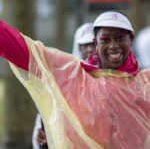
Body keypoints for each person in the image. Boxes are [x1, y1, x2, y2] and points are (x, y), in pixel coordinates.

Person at [0, 11, 150, 149]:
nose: (113, 45)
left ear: (131, 39)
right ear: (96, 43)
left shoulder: (144, 85)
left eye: (120, 38)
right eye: (105, 39)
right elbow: (24, 50)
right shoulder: (73, 75)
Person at [32, 22, 95, 149]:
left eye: (93, 44)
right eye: (85, 45)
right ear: (78, 48)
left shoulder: (111, 77)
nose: (90, 49)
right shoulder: (65, 78)